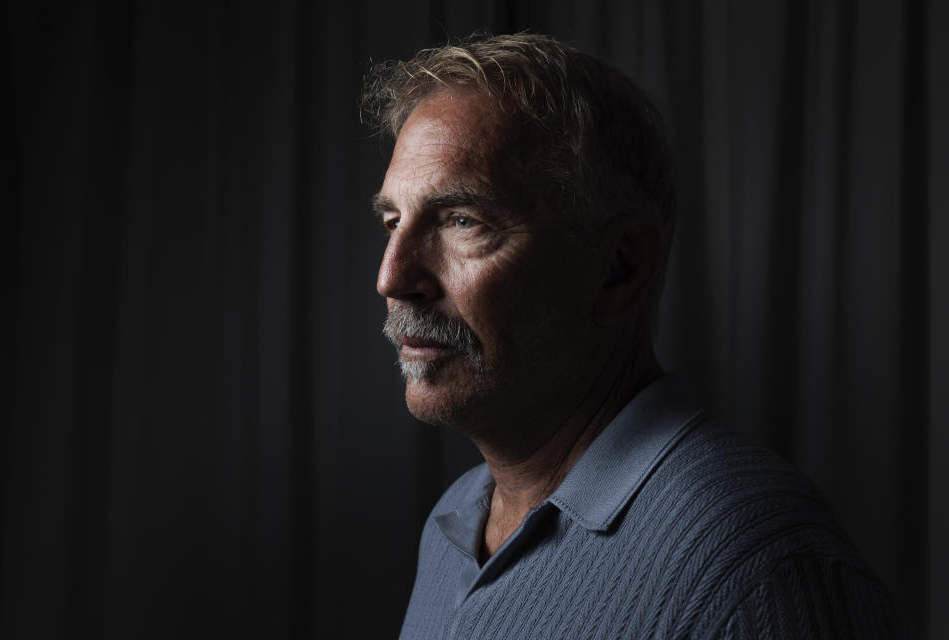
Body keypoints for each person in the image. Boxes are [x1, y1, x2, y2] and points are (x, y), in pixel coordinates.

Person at [363, 33, 899, 639]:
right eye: (392, 221)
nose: (392, 277)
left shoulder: (755, 568)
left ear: (621, 267)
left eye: (463, 221)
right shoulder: (455, 523)